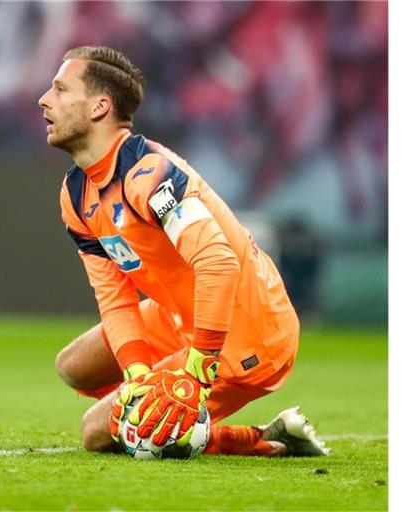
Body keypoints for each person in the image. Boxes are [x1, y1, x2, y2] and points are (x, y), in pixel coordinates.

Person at [37, 46, 330, 457]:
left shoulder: (149, 174)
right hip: (182, 315)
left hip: (250, 330)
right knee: (74, 366)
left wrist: (197, 369)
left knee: (96, 432)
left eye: (60, 90)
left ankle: (264, 439)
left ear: (100, 107)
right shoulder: (76, 195)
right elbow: (115, 299)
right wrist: (138, 373)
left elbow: (217, 262)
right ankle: (160, 409)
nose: (44, 100)